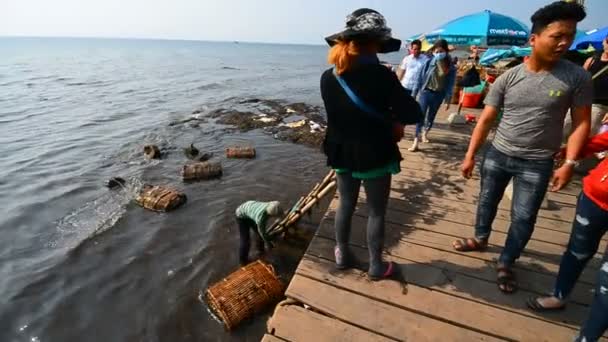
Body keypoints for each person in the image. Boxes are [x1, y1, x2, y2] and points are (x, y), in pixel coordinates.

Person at [452, 1, 592, 294]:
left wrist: (569, 163)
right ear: (534, 39)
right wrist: (470, 155)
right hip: (498, 153)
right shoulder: (508, 77)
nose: (564, 42)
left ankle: (507, 260)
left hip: (538, 162)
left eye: (570, 35)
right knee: (486, 201)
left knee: (525, 216)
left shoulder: (577, 77)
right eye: (557, 36)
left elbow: (581, 124)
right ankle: (480, 238)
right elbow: (486, 119)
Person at [321, 8, 422, 280]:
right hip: (374, 152)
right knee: (376, 211)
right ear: (375, 43)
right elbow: (413, 113)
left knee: (345, 204)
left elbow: (343, 115)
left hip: (340, 150)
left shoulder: (328, 76)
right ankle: (376, 265)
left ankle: (342, 256)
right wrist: (394, 119)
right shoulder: (382, 75)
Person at [525, 131, 608, 341]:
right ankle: (559, 296)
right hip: (594, 198)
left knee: (607, 285)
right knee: (577, 251)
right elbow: (600, 141)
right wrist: (566, 156)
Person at [409, 39, 456, 151]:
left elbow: (450, 84)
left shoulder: (451, 67)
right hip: (426, 92)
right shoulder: (428, 62)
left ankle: (425, 132)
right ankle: (416, 141)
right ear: (433, 51)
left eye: (441, 51)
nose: (438, 53)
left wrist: (448, 99)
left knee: (431, 116)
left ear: (446, 52)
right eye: (436, 51)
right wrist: (414, 94)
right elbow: (419, 78)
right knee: (420, 115)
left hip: (439, 94)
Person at [563, 34, 608, 139]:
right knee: (563, 131)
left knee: (585, 138)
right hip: (580, 103)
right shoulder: (592, 60)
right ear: (604, 42)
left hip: (600, 106)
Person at [235, 200, 283, 266]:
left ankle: (260, 250)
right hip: (241, 215)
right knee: (245, 240)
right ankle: (243, 261)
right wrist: (268, 243)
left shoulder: (271, 205)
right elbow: (262, 233)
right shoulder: (261, 218)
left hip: (250, 210)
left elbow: (281, 213)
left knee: (258, 233)